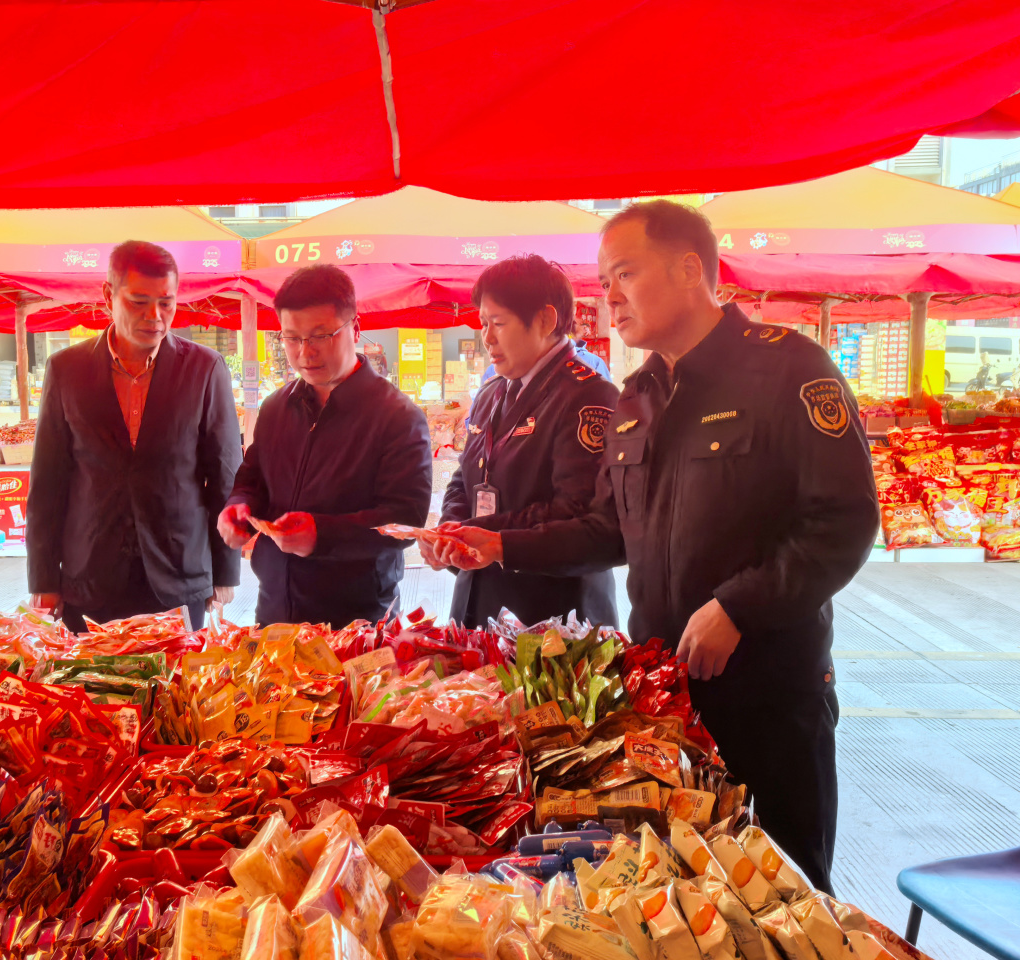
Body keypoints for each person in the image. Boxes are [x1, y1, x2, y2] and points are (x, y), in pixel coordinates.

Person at [443, 201, 878, 894]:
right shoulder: (637, 397)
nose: (608, 296)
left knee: (785, 896)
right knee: (678, 897)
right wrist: (499, 547)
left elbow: (845, 520)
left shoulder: (788, 368)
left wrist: (738, 607)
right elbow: (607, 530)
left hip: (768, 695)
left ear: (687, 269)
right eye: (604, 279)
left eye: (624, 274)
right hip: (665, 696)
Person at [27, 241, 242, 632]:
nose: (155, 317)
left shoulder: (205, 369)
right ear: (109, 295)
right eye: (139, 301)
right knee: (93, 689)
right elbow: (48, 484)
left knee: (177, 690)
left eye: (166, 302)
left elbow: (225, 477)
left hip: (179, 574)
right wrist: (43, 579)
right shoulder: (66, 370)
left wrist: (226, 569)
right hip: (90, 575)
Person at [218, 264, 432, 626]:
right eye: (292, 338)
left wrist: (323, 534)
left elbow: (405, 520)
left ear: (355, 328)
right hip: (274, 611)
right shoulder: (276, 408)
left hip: (357, 620)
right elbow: (252, 477)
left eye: (320, 336)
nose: (305, 353)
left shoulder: (397, 416)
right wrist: (238, 507)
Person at [425, 254, 619, 628]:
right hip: (478, 603)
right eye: (483, 323)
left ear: (546, 320)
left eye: (498, 323)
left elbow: (575, 511)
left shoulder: (587, 396)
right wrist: (449, 532)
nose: (487, 338)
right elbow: (463, 478)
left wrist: (487, 537)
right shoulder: (491, 392)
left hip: (552, 618)